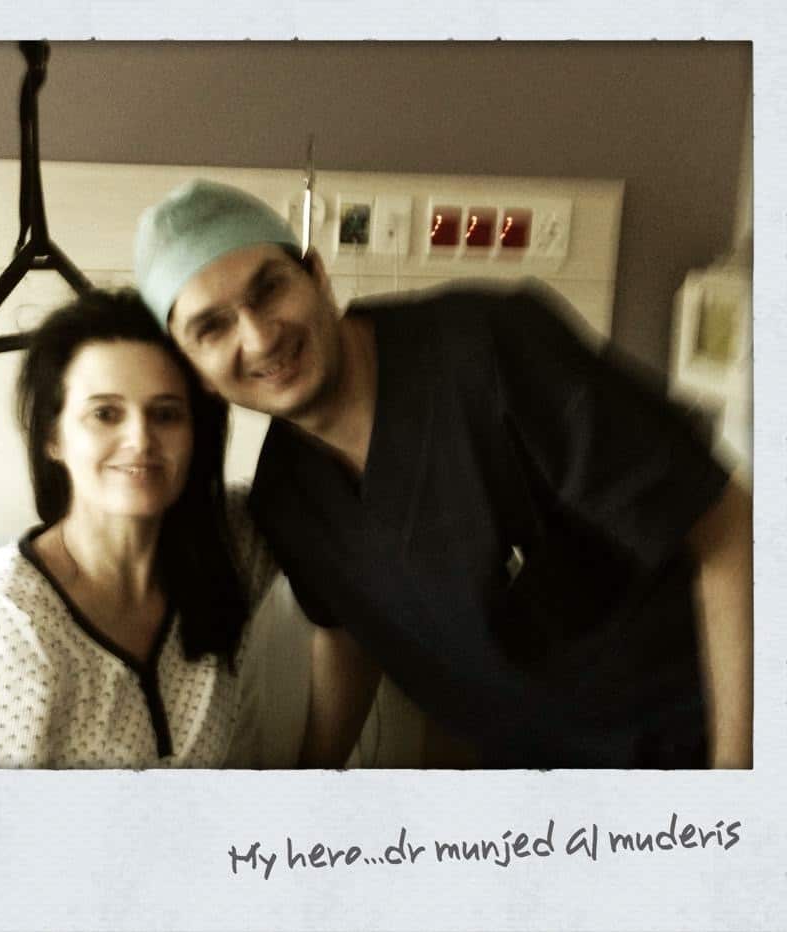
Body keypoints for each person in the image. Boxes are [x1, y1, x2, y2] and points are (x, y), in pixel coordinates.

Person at [132, 179, 753, 770]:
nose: (261, 336)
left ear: (317, 275)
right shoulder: (286, 497)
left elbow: (727, 525)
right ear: (195, 371)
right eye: (212, 327)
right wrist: (315, 778)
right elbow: (350, 632)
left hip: (695, 736)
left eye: (269, 289)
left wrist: (734, 779)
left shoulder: (493, 350)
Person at [0, 288, 301, 769]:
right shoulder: (4, 627)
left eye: (166, 414)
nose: (140, 439)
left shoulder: (228, 548)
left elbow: (333, 454)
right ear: (53, 437)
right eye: (105, 413)